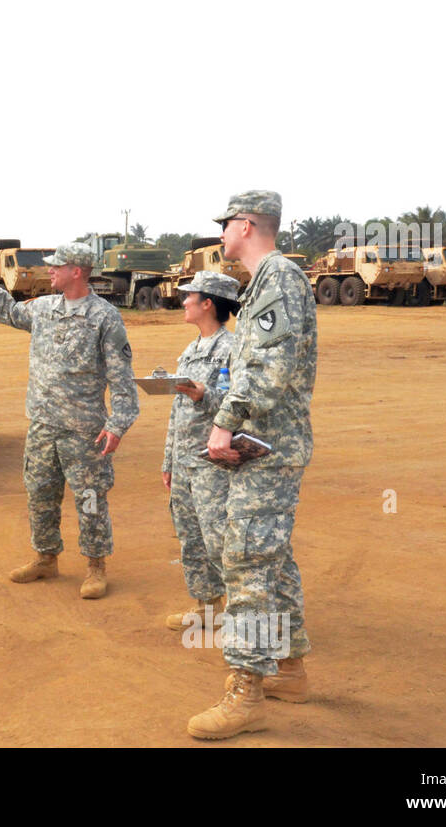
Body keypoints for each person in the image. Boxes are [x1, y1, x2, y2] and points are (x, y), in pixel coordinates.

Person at [186, 190, 318, 740]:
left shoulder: (277, 276)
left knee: (247, 562)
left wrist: (225, 419)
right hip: (267, 445)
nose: (220, 235)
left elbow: (269, 364)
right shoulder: (268, 280)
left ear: (246, 224)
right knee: (272, 557)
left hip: (266, 446)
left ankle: (246, 690)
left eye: (225, 226)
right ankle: (290, 668)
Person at [0, 242, 140, 599]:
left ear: (77, 271)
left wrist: (117, 425)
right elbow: (5, 309)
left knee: (89, 498)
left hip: (84, 430)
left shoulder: (104, 317)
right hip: (43, 426)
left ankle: (95, 566)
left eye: (57, 267)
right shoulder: (43, 309)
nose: (49, 271)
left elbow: (121, 379)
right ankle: (45, 557)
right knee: (40, 494)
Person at [159, 271, 240, 632]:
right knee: (191, 538)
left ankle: (243, 616)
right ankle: (208, 608)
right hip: (184, 460)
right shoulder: (190, 350)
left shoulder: (231, 350)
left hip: (212, 464)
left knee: (219, 541)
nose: (184, 301)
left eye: (189, 296)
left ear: (208, 303)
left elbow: (238, 408)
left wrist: (204, 394)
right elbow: (177, 412)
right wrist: (168, 461)